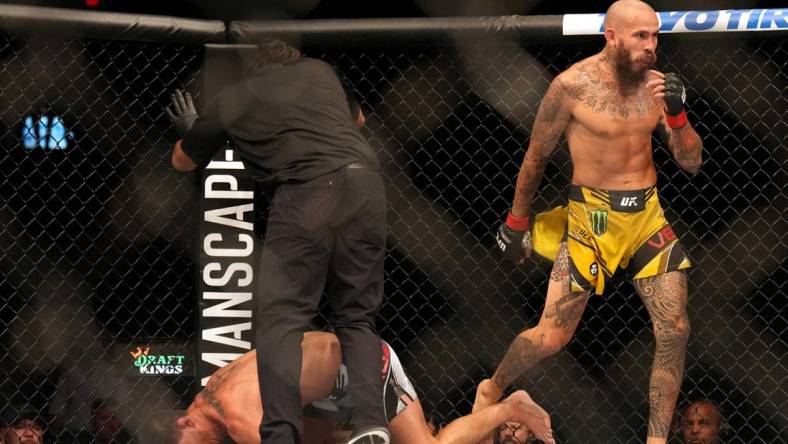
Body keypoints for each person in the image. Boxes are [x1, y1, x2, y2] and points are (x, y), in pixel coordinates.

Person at [476, 1, 703, 443]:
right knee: (551, 336)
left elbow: (690, 161)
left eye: (655, 36)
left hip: (646, 216)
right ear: (611, 36)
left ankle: (655, 440)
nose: (651, 46)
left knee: (675, 327)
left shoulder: (659, 88)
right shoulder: (572, 86)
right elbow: (537, 155)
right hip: (591, 217)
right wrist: (516, 221)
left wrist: (677, 113)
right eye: (641, 36)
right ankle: (494, 386)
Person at [167, 38, 389, 443]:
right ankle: (372, 426)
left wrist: (192, 132)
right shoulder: (321, 71)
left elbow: (183, 161)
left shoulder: (235, 95)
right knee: (356, 316)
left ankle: (281, 434)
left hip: (307, 193)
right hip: (365, 184)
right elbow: (357, 122)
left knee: (281, 322)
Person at [171, 331, 555, 444]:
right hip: (328, 395)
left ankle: (512, 408)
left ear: (184, 424)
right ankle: (487, 411)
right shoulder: (216, 389)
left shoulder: (239, 415)